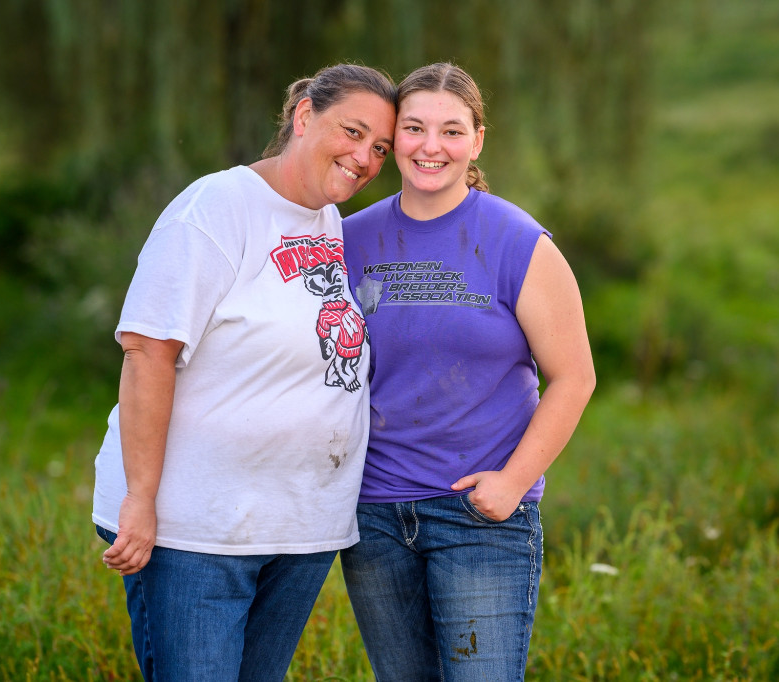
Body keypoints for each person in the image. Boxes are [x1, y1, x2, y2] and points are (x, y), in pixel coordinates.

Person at [91, 63, 396, 682]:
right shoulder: (216, 207)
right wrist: (142, 499)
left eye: (381, 148)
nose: (365, 157)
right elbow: (148, 352)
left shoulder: (332, 225)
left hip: (298, 527)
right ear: (304, 115)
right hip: (196, 530)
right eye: (353, 132)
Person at [339, 62, 596, 681]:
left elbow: (574, 376)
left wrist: (510, 485)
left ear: (477, 140)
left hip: (478, 519)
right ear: (391, 139)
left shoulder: (516, 240)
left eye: (452, 131)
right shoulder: (349, 239)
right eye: (415, 128)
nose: (432, 147)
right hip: (372, 517)